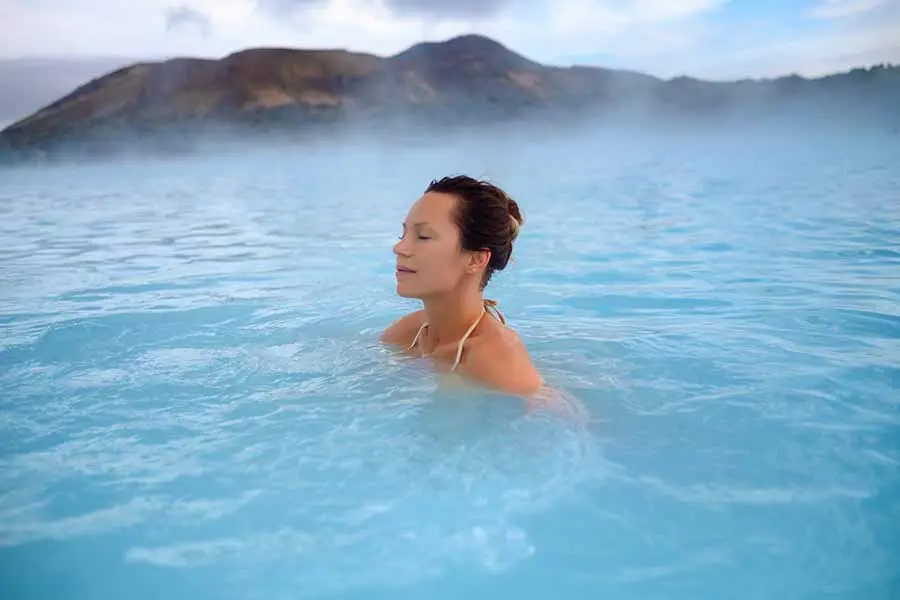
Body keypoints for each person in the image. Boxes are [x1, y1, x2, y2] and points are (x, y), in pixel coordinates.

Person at [381, 175, 543, 397]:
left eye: (424, 236)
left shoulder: (498, 359)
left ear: (476, 259)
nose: (399, 247)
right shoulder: (407, 333)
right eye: (404, 233)